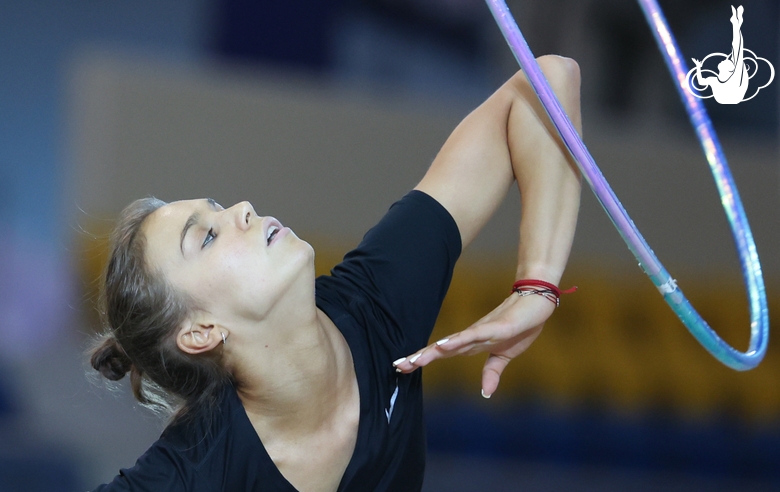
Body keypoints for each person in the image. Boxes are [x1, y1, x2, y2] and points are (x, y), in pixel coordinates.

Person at [90, 54, 582, 491]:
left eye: (218, 207)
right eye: (207, 237)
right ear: (200, 332)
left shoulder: (375, 302)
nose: (241, 209)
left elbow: (548, 81)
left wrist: (537, 288)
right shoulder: (191, 473)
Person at [691, 5, 748, 104]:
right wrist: (698, 67)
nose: (725, 59)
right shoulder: (714, 80)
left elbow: (737, 48)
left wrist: (736, 25)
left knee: (737, 50)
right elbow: (701, 82)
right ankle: (736, 23)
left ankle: (736, 23)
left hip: (733, 97)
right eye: (729, 60)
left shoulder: (734, 79)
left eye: (728, 61)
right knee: (736, 51)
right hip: (727, 98)